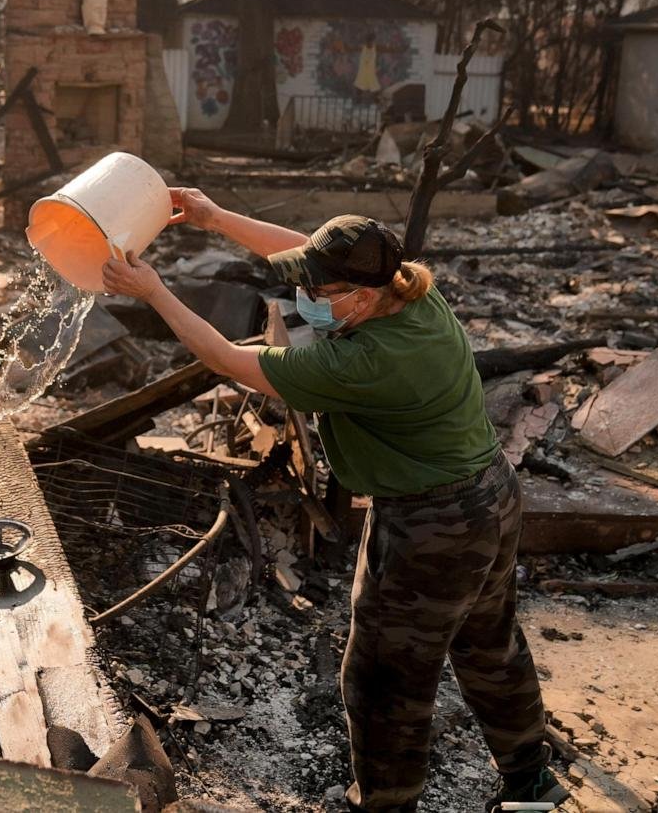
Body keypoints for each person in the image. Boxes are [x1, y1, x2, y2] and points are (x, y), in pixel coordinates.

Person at [101, 188, 568, 813]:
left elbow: (223, 358)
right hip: (489, 495)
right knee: (488, 644)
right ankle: (531, 782)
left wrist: (154, 291)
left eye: (321, 296)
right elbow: (299, 252)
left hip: (433, 525)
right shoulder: (412, 294)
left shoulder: (365, 361)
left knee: (383, 681)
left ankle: (386, 805)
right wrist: (216, 219)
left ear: (364, 296)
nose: (309, 303)